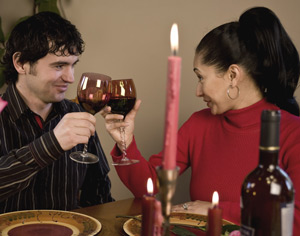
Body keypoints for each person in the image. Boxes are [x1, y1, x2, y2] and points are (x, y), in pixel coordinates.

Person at [102, 6, 300, 234]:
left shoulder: (293, 134)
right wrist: (124, 142)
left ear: (233, 76)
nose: (197, 91)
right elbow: (148, 186)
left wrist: (213, 210)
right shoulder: (199, 124)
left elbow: (295, 220)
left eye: (200, 77)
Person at [0, 11, 114, 213]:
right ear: (20, 63)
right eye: (59, 66)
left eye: (73, 65)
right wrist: (51, 144)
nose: (70, 78)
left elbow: (98, 192)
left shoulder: (76, 113)